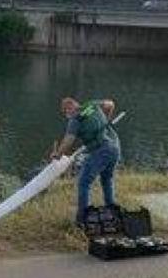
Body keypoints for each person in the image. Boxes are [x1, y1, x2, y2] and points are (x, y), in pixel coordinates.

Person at [51, 97, 120, 227]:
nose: (67, 114)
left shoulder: (75, 120)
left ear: (67, 110)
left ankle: (82, 220)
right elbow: (111, 104)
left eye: (66, 112)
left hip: (102, 149)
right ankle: (111, 211)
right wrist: (107, 120)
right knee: (106, 179)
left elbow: (69, 140)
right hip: (115, 146)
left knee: (83, 183)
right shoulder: (92, 105)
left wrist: (58, 154)